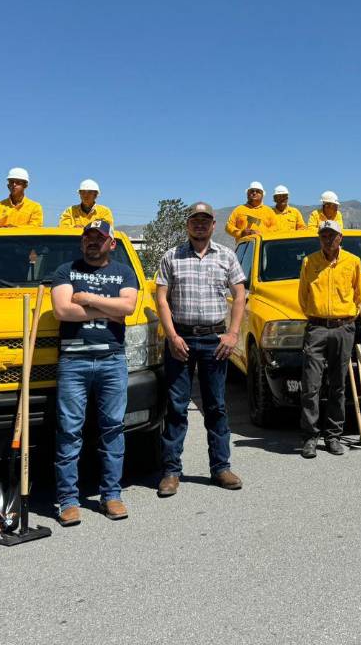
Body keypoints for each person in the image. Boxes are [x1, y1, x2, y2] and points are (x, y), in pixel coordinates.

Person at [50, 221, 139, 525]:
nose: (92, 242)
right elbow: (62, 311)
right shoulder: (65, 271)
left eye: (99, 239)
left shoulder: (124, 272)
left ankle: (111, 495)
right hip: (73, 362)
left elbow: (129, 307)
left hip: (112, 360)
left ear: (111, 244)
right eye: (88, 237)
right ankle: (68, 500)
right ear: (81, 242)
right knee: (69, 431)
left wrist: (87, 299)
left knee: (113, 428)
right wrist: (109, 309)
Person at [155, 203, 247, 495]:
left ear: (213, 224)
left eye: (205, 220)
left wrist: (232, 334)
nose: (200, 225)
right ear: (188, 224)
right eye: (195, 220)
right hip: (180, 340)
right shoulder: (172, 256)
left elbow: (240, 294)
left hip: (214, 341)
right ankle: (171, 472)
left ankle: (221, 467)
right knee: (176, 407)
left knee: (216, 406)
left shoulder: (227, 256)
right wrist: (171, 336)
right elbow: (161, 299)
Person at [298, 219, 361, 458]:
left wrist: (345, 318)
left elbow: (358, 295)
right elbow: (303, 296)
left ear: (340, 238)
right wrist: (317, 317)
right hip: (316, 328)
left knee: (338, 384)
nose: (328, 239)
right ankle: (310, 437)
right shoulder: (309, 262)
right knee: (311, 385)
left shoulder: (353, 262)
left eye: (332, 235)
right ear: (319, 238)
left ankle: (333, 436)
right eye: (324, 235)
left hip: (343, 327)